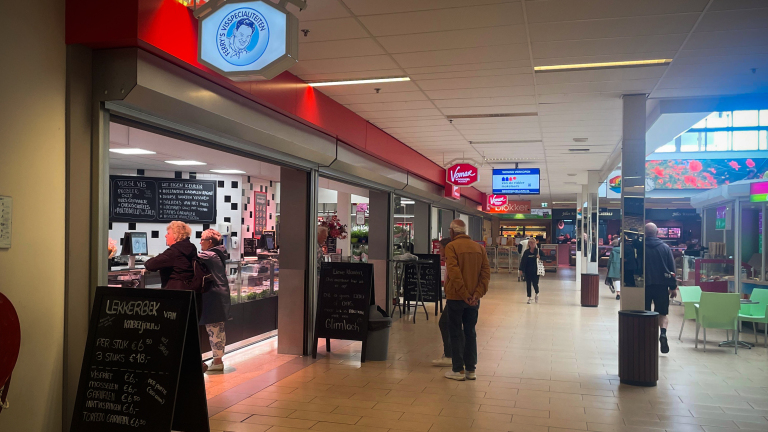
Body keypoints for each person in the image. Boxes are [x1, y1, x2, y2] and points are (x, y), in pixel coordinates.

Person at [444, 220, 490, 381]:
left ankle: (458, 370)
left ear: (452, 232)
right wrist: (476, 294)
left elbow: (454, 273)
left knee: (455, 332)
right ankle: (471, 369)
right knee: (470, 332)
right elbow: (485, 274)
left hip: (456, 298)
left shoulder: (451, 247)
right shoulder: (479, 248)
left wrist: (464, 295)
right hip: (474, 300)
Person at [198, 229, 231, 372]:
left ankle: (217, 362)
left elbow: (191, 258)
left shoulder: (209, 255)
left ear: (209, 242)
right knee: (217, 328)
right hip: (220, 293)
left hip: (214, 295)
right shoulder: (218, 254)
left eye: (202, 239)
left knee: (214, 329)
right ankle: (217, 360)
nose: (200, 242)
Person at [645, 222, 677, 354]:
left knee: (644, 313)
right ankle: (662, 333)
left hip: (645, 285)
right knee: (662, 313)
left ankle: (646, 339)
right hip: (662, 285)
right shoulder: (665, 248)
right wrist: (673, 286)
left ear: (645, 233)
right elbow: (671, 268)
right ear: (657, 232)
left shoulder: (640, 247)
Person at [144, 221, 197, 290]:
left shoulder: (174, 252)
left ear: (175, 236)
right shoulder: (192, 248)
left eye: (168, 233)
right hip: (188, 290)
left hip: (174, 292)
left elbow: (150, 265)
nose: (165, 236)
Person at [432, 237, 453, 367]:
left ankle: (450, 355)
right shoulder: (449, 261)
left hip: (455, 298)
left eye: (440, 248)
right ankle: (452, 354)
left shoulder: (452, 262)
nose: (438, 251)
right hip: (454, 297)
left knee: (445, 323)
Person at [520, 237, 543, 304]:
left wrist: (540, 257)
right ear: (529, 244)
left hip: (536, 270)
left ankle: (537, 293)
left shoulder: (538, 251)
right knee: (528, 284)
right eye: (530, 242)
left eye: (533, 242)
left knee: (535, 283)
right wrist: (521, 269)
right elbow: (523, 261)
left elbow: (545, 257)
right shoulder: (526, 252)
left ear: (535, 243)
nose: (532, 244)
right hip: (528, 270)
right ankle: (529, 297)